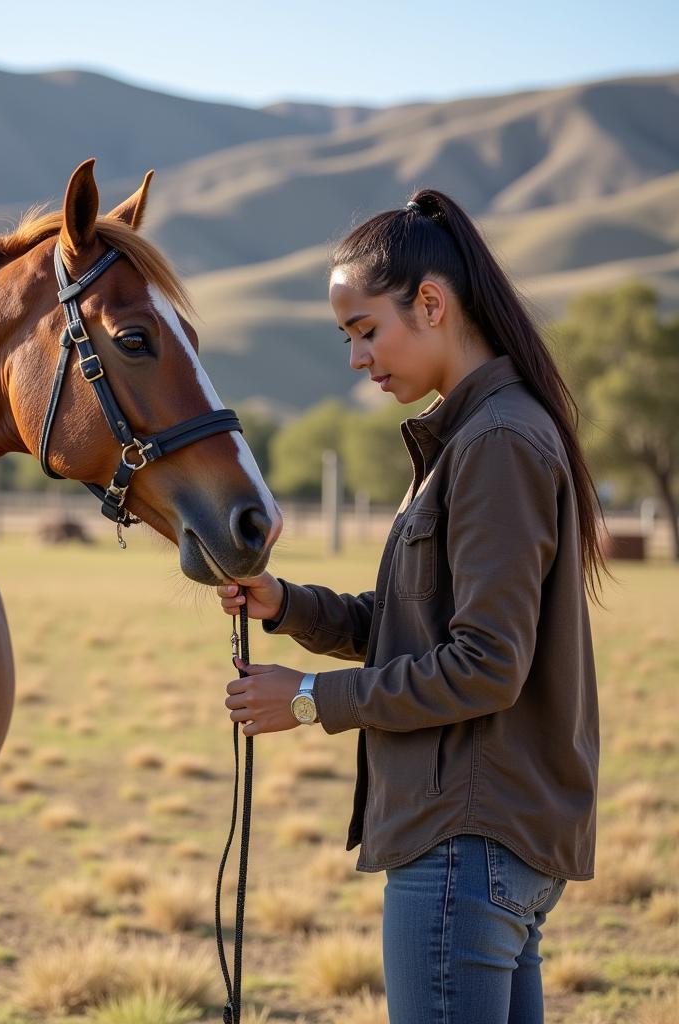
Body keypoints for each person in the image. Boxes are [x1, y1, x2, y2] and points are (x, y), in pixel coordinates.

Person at [217, 189, 602, 1024]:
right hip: (491, 842)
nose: (357, 360)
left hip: (464, 843)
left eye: (365, 331)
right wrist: (285, 604)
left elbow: (486, 665)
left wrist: (311, 701)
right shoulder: (476, 436)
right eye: (347, 338)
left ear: (431, 303)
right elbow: (409, 626)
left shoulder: (496, 442)